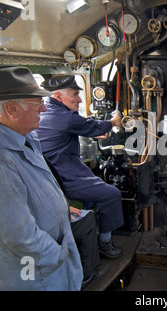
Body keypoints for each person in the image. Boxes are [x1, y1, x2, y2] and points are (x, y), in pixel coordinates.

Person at [0, 65, 83, 290]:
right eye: (37, 103)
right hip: (37, 274)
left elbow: (34, 189)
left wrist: (61, 209)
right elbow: (18, 238)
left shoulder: (23, 137)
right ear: (11, 109)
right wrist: (59, 254)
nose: (44, 110)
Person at [35, 75, 124, 259]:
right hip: (63, 177)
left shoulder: (47, 111)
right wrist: (114, 122)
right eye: (75, 95)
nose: (80, 100)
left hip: (51, 175)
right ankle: (104, 243)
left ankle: (90, 231)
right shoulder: (66, 118)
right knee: (112, 194)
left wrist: (93, 130)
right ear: (58, 96)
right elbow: (90, 125)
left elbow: (78, 127)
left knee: (95, 184)